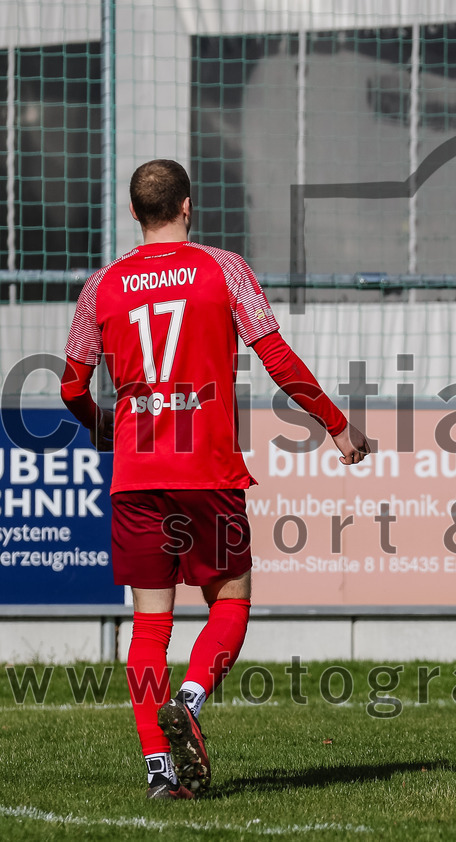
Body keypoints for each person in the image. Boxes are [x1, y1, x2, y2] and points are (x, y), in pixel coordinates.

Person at [60, 159, 370, 800]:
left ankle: (158, 771)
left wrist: (102, 429)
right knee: (231, 599)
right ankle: (193, 700)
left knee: (149, 624)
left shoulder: (101, 287)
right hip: (206, 469)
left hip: (137, 474)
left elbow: (70, 385)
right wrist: (336, 425)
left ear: (133, 213)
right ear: (188, 207)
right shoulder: (222, 269)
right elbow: (276, 356)